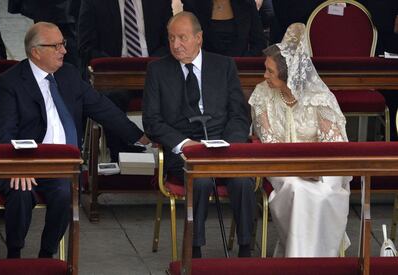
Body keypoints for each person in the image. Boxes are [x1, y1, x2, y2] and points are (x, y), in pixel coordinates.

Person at [0, 22, 149, 258]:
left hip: (59, 165)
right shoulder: (10, 83)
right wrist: (17, 166)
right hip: (25, 161)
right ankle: (14, 254)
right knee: (20, 190)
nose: (64, 50)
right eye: (57, 46)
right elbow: (3, 132)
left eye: (63, 43)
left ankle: (47, 255)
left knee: (64, 193)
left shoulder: (69, 75)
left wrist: (139, 137)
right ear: (36, 52)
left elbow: (102, 108)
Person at [142, 11, 256, 258]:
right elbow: (151, 121)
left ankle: (246, 248)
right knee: (200, 181)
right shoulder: (157, 70)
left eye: (182, 38)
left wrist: (229, 145)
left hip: (223, 144)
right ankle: (194, 249)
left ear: (199, 38)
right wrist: (184, 144)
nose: (175, 45)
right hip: (183, 149)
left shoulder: (224, 66)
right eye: (171, 38)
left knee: (242, 181)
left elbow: (239, 115)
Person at [248, 23, 351, 257]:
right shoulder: (263, 94)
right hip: (280, 165)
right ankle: (298, 261)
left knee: (326, 191)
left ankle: (320, 260)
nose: (265, 76)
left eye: (270, 72)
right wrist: (299, 168)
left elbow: (334, 145)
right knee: (297, 189)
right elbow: (268, 141)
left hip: (321, 166)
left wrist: (315, 167)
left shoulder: (319, 98)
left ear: (288, 75)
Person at [78, 0, 173, 161]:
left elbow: (169, 42)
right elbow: (86, 47)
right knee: (111, 98)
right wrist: (113, 65)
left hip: (152, 73)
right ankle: (123, 160)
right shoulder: (94, 3)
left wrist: (152, 64)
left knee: (176, 95)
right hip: (114, 77)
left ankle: (173, 162)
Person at [181, 0, 266, 56]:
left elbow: (259, 43)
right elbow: (189, 43)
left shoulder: (246, 3)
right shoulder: (193, 4)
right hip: (206, 70)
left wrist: (243, 62)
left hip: (241, 70)